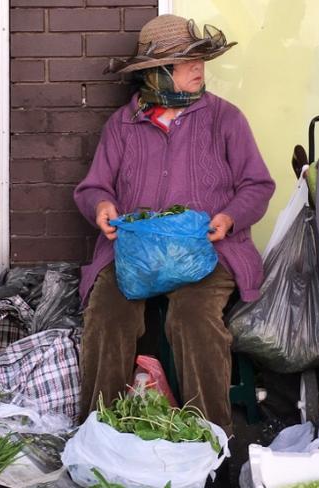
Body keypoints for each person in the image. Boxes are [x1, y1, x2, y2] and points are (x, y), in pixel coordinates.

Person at [73, 14, 275, 435]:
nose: (198, 68)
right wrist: (102, 206)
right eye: (185, 61)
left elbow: (257, 184)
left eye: (199, 59)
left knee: (193, 317)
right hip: (134, 254)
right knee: (107, 315)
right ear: (156, 72)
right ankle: (97, 430)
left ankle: (209, 436)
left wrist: (228, 216)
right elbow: (93, 187)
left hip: (206, 249)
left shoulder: (225, 119)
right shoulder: (122, 126)